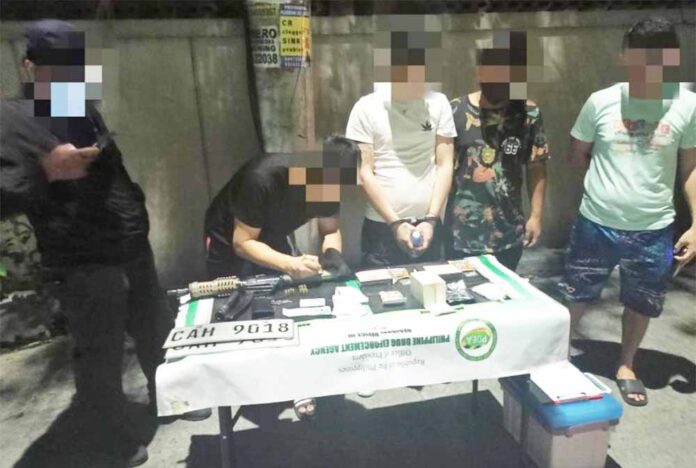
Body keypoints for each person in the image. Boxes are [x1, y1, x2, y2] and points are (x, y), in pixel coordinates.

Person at [0, 20, 208, 467]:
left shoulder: (80, 107)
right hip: (82, 261)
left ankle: (170, 397)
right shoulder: (11, 120)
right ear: (29, 66)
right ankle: (108, 439)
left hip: (129, 245)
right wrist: (45, 171)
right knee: (100, 354)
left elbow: (111, 172)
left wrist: (135, 212)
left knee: (155, 328)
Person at [559, 18, 696, 407]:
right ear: (624, 55)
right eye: (639, 57)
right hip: (595, 223)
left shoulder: (687, 105)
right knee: (576, 293)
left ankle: (626, 365)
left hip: (654, 228)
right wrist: (609, 187)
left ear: (671, 58)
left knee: (642, 302)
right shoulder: (600, 101)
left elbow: (691, 168)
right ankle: (556, 357)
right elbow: (577, 154)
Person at [204, 136, 360, 418]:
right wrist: (290, 264)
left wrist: (333, 256)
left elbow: (330, 230)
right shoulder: (262, 178)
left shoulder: (329, 182)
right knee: (230, 310)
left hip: (272, 234)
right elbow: (243, 243)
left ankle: (293, 378)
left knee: (286, 302)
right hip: (228, 237)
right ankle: (238, 384)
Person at [345, 18, 456, 268]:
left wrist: (431, 219)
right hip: (382, 228)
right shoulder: (366, 108)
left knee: (434, 289)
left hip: (430, 225)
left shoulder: (439, 104)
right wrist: (396, 223)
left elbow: (445, 164)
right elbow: (364, 171)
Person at [446, 31, 549, 271]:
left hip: (508, 233)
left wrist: (536, 216)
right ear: (480, 73)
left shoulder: (528, 114)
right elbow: (441, 168)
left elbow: (536, 166)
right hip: (461, 234)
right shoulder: (455, 111)